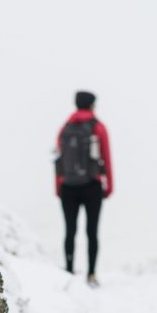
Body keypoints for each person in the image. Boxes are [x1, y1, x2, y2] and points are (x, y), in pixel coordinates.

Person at [55, 91, 113, 286]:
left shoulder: (65, 128)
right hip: (92, 186)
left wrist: (58, 186)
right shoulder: (98, 127)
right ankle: (91, 274)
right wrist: (109, 186)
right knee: (92, 231)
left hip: (68, 187)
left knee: (70, 230)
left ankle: (69, 270)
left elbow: (59, 160)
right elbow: (106, 157)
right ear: (91, 105)